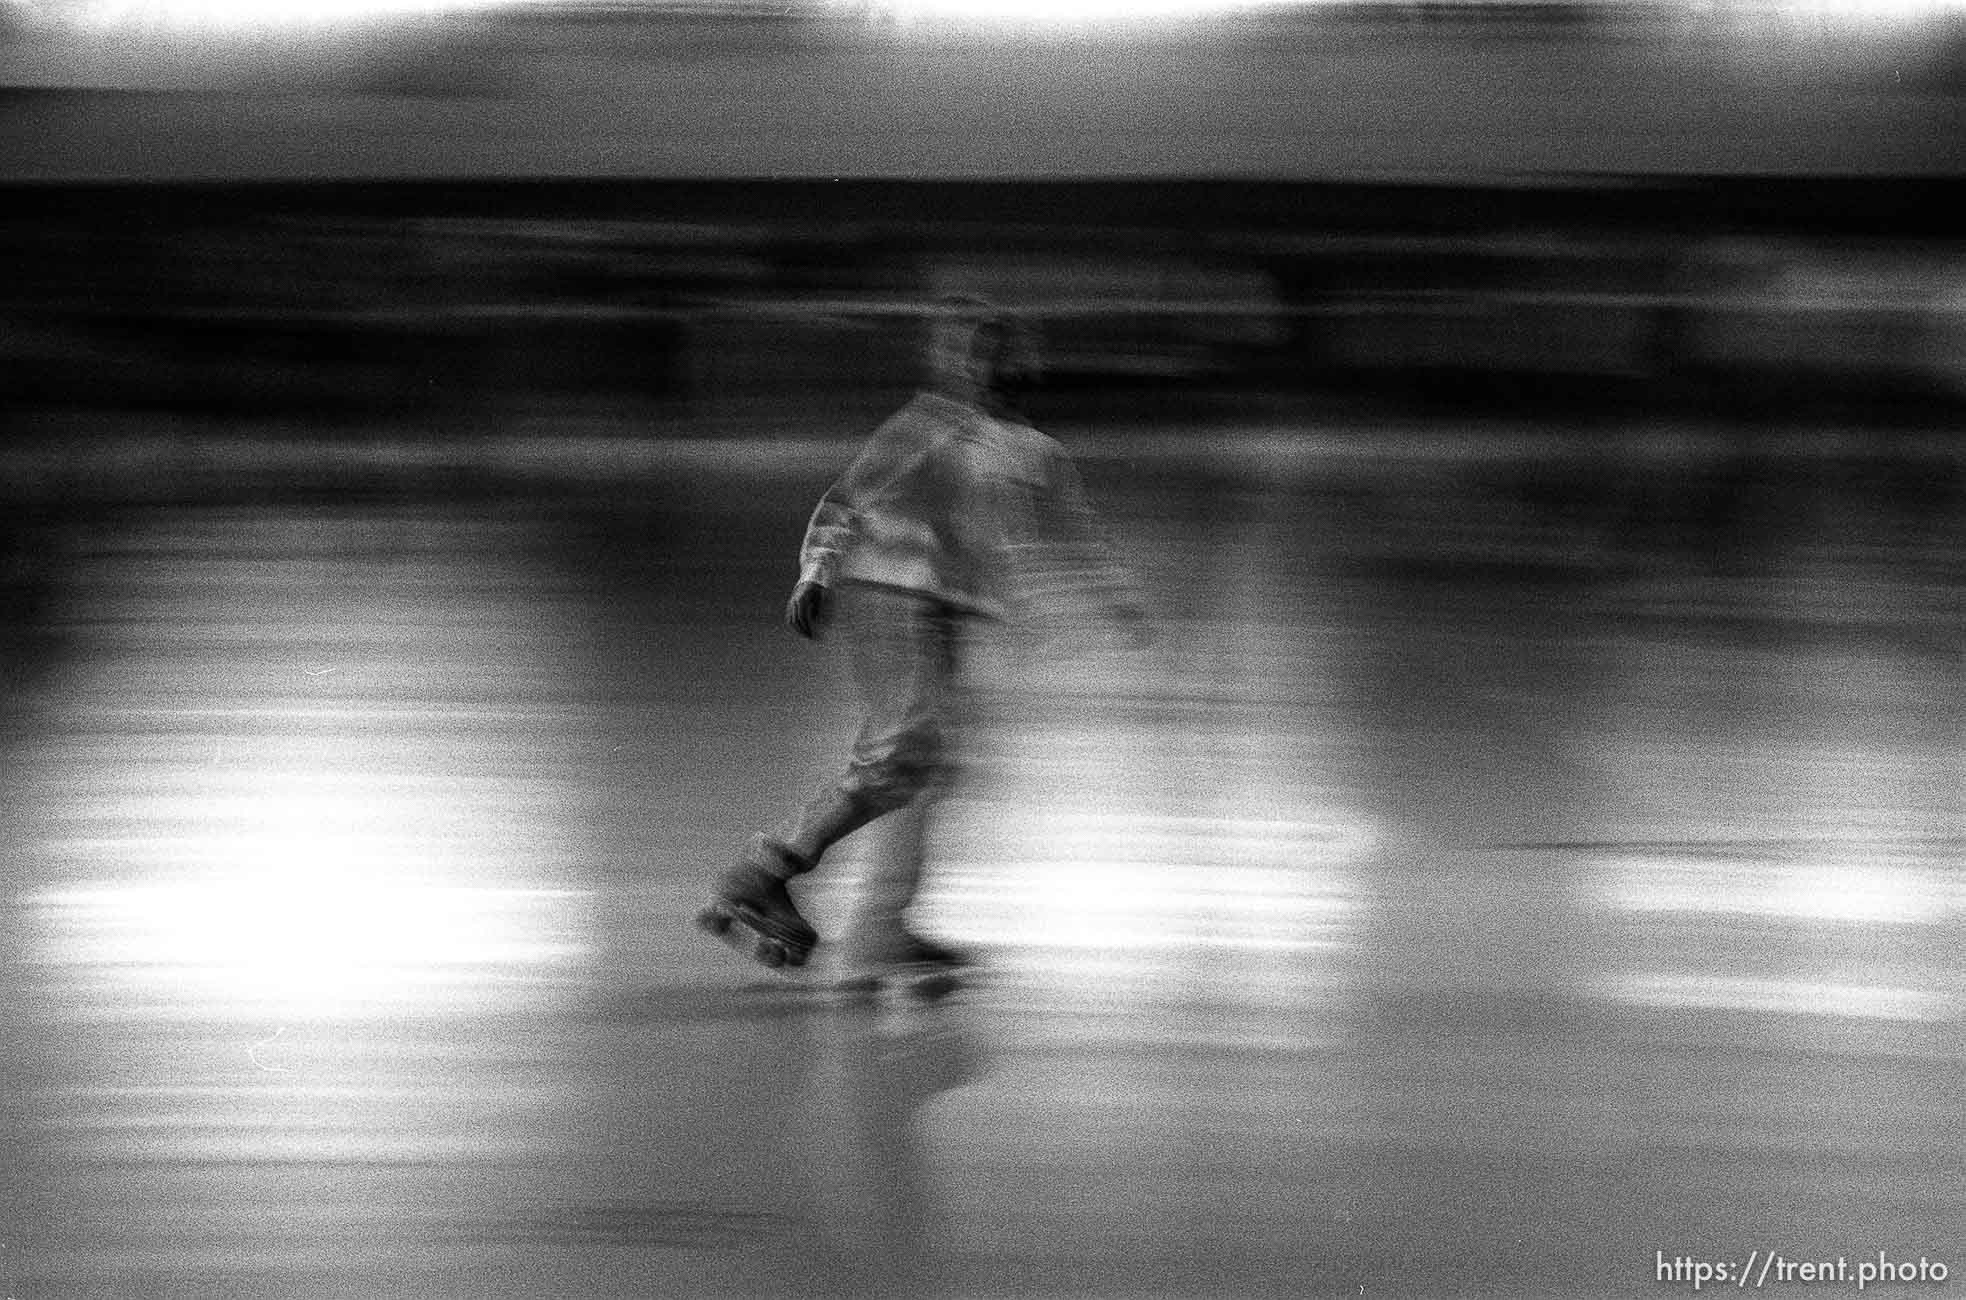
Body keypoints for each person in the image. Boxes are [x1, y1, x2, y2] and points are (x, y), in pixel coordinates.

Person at [697, 294, 1148, 990]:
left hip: (943, 611)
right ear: (963, 366)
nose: (1001, 373)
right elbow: (846, 499)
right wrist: (815, 571)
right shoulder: (928, 428)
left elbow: (1072, 528)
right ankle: (760, 877)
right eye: (986, 358)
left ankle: (883, 926)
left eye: (1009, 359)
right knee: (903, 757)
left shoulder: (1033, 452)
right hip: (888, 594)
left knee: (929, 768)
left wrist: (1113, 596)